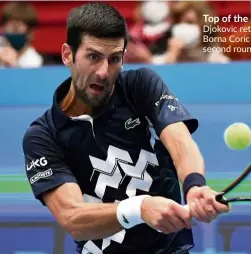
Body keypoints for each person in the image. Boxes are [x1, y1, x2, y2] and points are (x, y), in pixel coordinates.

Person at [21, 2, 229, 254]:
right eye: (93, 56)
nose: (103, 72)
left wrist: (194, 185)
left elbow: (180, 141)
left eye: (114, 59)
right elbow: (72, 217)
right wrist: (139, 209)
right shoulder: (43, 135)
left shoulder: (139, 85)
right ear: (68, 55)